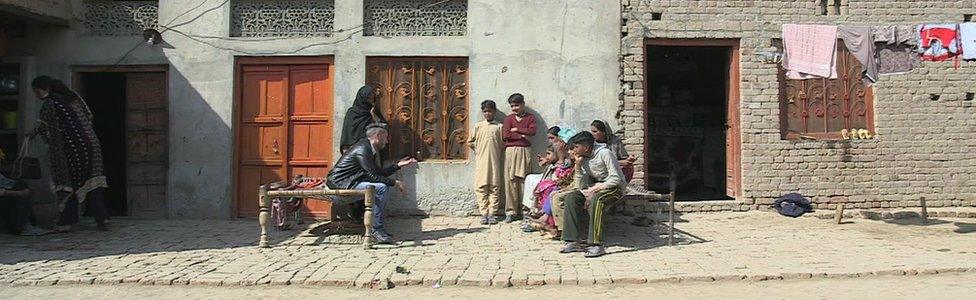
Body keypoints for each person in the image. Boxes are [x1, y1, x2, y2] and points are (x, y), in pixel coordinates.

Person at [29, 76, 110, 231]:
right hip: (92, 144)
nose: (36, 95)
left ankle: (66, 221)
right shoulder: (73, 97)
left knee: (69, 184)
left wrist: (39, 135)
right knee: (93, 182)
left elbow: (45, 129)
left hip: (70, 148)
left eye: (36, 91)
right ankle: (102, 218)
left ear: (44, 89)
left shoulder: (49, 104)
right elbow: (89, 116)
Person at [326, 123, 417, 244]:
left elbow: (377, 173)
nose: (387, 141)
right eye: (386, 137)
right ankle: (376, 230)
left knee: (381, 187)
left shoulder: (367, 148)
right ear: (378, 136)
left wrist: (398, 165)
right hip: (339, 188)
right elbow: (373, 176)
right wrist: (395, 182)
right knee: (381, 188)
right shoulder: (363, 149)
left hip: (347, 184)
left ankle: (377, 229)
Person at [559, 131, 627, 258]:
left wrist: (597, 188)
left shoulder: (604, 153)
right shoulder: (583, 159)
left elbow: (616, 178)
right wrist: (578, 167)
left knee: (598, 200)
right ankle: (572, 240)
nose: (573, 150)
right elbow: (580, 186)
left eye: (575, 147)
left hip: (614, 188)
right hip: (595, 188)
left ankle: (596, 244)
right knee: (572, 197)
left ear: (585, 147)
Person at [467, 100, 504, 225]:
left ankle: (493, 213)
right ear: (483, 112)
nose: (487, 114)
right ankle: (484, 213)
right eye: (485, 111)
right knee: (481, 187)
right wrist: (478, 150)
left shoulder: (499, 127)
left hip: (495, 162)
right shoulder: (478, 126)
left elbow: (503, 143)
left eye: (490, 111)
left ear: (494, 112)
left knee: (495, 187)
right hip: (481, 162)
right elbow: (470, 141)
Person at [501, 93, 536, 223]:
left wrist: (517, 129)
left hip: (524, 150)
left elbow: (532, 132)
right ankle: (511, 211)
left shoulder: (530, 117)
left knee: (524, 180)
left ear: (522, 104)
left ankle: (524, 211)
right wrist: (521, 135)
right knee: (510, 180)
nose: (514, 108)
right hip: (511, 150)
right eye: (512, 106)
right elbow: (506, 135)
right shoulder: (509, 119)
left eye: (517, 105)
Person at [340, 85, 387, 154]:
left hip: (370, 149)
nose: (370, 99)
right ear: (362, 98)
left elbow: (383, 128)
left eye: (372, 97)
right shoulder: (352, 113)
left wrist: (374, 115)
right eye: (368, 97)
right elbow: (346, 133)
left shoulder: (373, 111)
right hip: (353, 150)